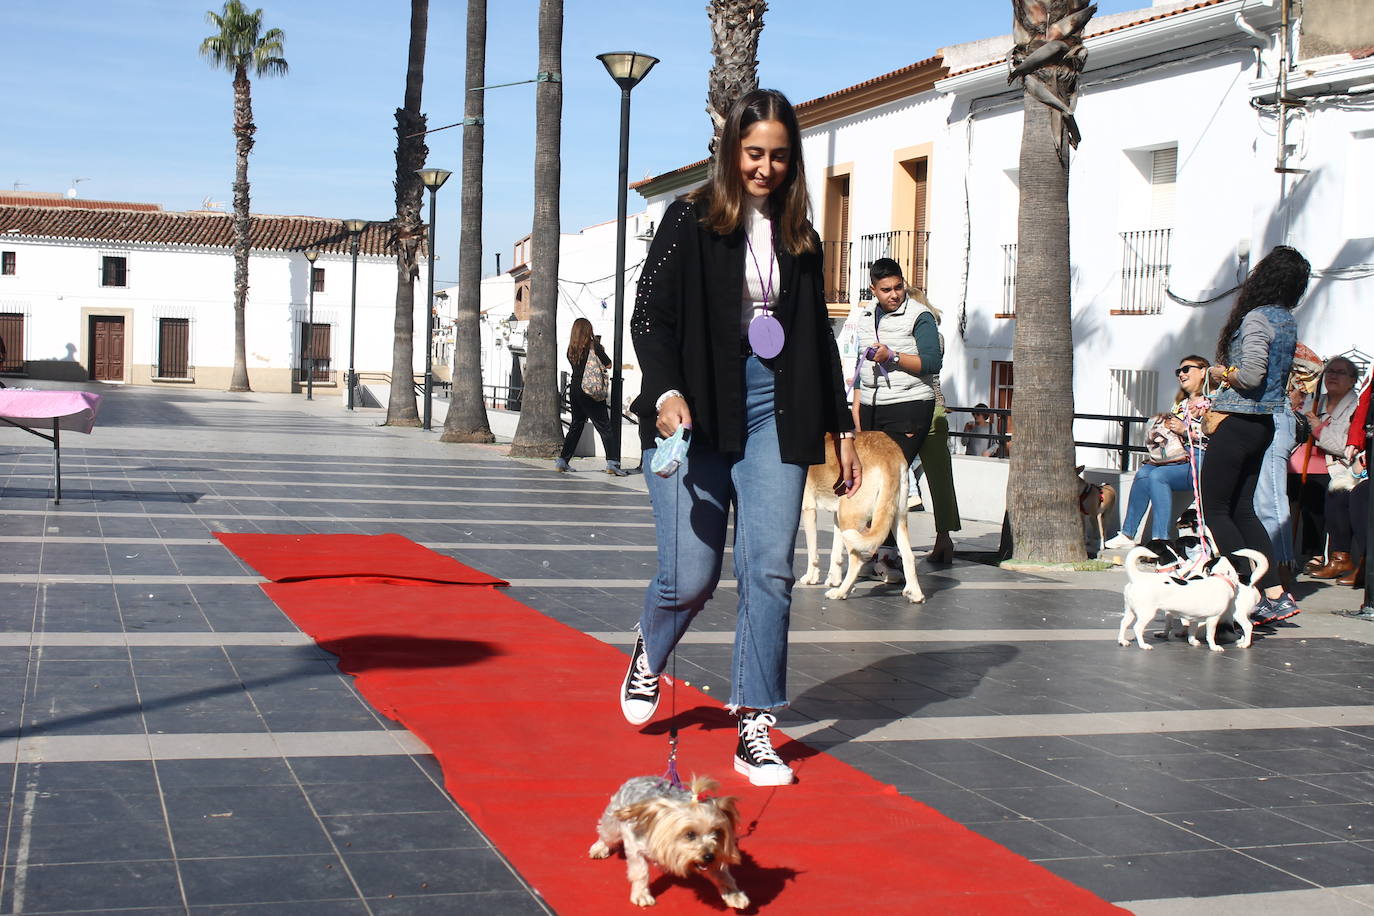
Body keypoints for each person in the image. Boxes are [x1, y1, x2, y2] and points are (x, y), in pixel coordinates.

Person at [620, 88, 860, 787]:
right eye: (755, 154)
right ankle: (649, 647)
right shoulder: (689, 218)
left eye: (780, 157)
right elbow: (648, 316)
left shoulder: (801, 236)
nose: (766, 168)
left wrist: (840, 424)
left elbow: (815, 334)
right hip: (697, 406)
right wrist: (665, 392)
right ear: (732, 153)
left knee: (769, 569)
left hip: (775, 407)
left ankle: (753, 724)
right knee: (689, 578)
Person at [1201, 245, 1308, 626]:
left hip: (1238, 422)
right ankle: (1277, 594)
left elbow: (1250, 376)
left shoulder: (1257, 318)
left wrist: (1219, 373)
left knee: (1215, 510)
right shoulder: (1286, 320)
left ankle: (1255, 592)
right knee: (1243, 509)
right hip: (1264, 425)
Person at [850, 258, 943, 580]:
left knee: (889, 482)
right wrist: (856, 413)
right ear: (873, 290)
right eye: (886, 289)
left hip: (910, 405)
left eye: (899, 287)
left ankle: (887, 556)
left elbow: (932, 362)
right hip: (874, 407)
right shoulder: (864, 318)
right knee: (871, 484)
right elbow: (860, 371)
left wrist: (893, 357)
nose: (894, 294)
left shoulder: (920, 317)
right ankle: (871, 551)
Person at [1105, 354, 1212, 547]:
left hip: (1199, 459)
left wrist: (1185, 430)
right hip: (1177, 458)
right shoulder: (1180, 404)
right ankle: (1128, 534)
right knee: (1145, 473)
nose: (1181, 374)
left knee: (1158, 476)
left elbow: (1214, 434)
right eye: (1178, 371)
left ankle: (1161, 539)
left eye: (1186, 369)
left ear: (1203, 371)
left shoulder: (1212, 402)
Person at [1304, 357, 1362, 581]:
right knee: (1301, 489)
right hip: (1308, 466)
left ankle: (1340, 557)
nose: (1333, 376)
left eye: (1340, 372)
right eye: (1329, 371)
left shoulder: (1355, 407)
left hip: (1341, 467)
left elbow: (1345, 445)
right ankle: (1314, 554)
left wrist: (1318, 429)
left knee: (1334, 491)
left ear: (1352, 380)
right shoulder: (1314, 402)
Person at [554, 317, 628, 476]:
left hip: (575, 388)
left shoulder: (571, 349)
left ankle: (563, 460)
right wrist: (600, 348)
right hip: (591, 389)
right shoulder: (594, 346)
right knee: (604, 426)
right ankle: (613, 463)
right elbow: (608, 364)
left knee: (576, 424)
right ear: (589, 330)